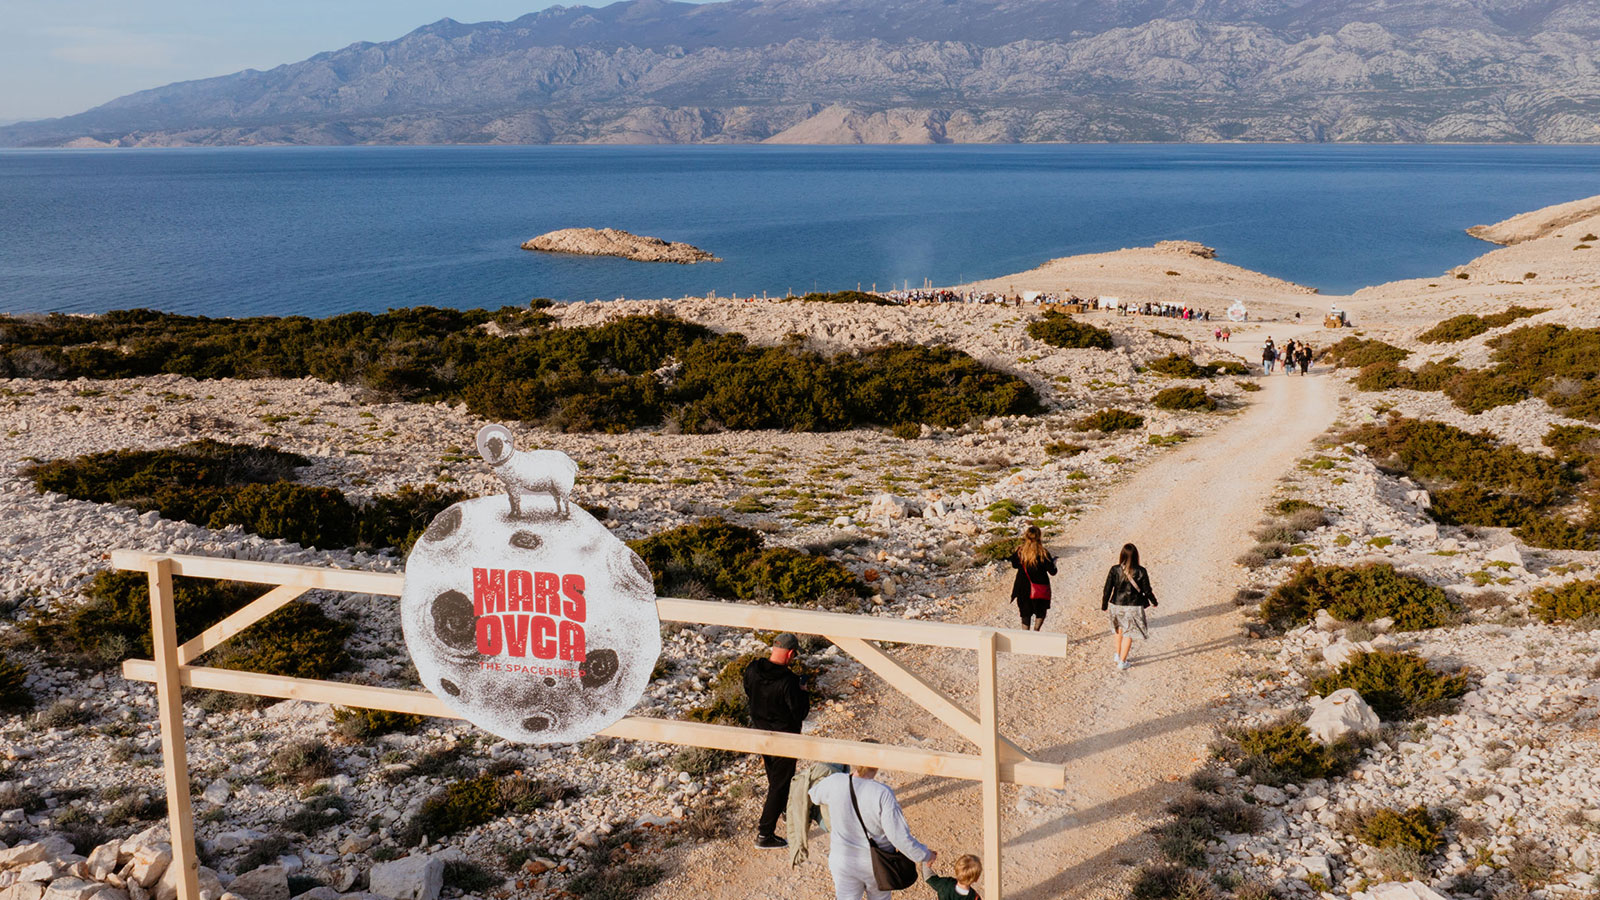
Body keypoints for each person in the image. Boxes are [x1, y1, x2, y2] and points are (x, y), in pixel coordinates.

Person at [808, 757, 935, 900]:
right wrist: (925, 855)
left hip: (842, 860)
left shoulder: (835, 781)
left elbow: (814, 796)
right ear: (877, 763)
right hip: (876, 865)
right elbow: (898, 837)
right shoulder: (882, 793)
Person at [743, 633, 810, 849]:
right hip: (785, 738)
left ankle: (783, 808)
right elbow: (800, 713)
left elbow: (748, 691)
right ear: (790, 654)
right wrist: (803, 692)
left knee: (775, 777)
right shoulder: (789, 681)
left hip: (761, 732)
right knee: (780, 784)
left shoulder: (753, 669)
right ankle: (765, 834)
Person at [1102, 543, 1158, 671]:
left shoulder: (1114, 569)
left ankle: (1117, 654)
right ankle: (1122, 662)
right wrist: (1154, 601)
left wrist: (1104, 604)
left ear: (1121, 555)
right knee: (1129, 633)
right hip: (1133, 606)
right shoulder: (1141, 571)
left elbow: (1107, 589)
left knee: (1118, 629)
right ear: (1136, 555)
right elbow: (1147, 590)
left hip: (1116, 604)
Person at [1009, 525, 1057, 631]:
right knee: (1041, 611)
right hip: (1040, 587)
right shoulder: (1043, 553)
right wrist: (1054, 564)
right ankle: (1036, 631)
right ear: (1039, 537)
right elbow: (1053, 572)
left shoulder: (1020, 551)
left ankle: (1025, 635)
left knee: (1025, 614)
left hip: (1023, 587)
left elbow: (1014, 565)